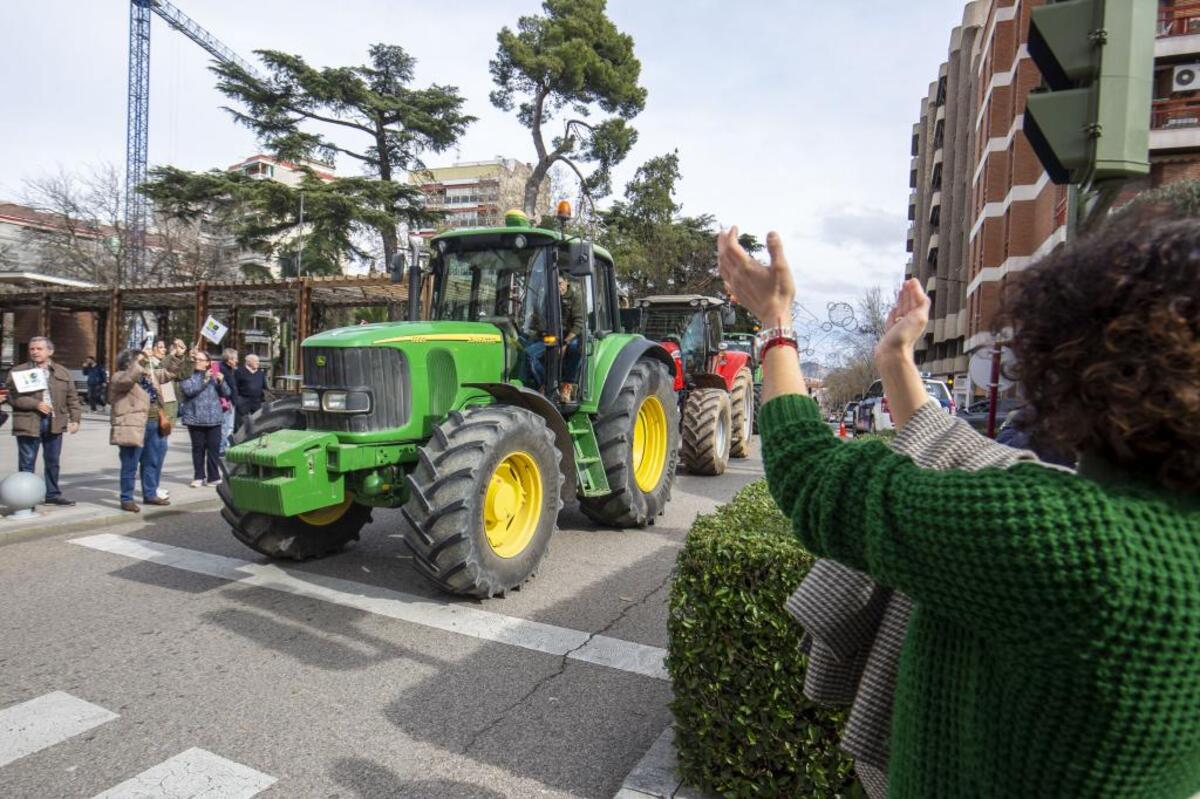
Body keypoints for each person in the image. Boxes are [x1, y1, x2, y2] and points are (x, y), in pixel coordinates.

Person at [717, 214, 1200, 798]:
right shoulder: (1162, 533)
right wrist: (896, 361)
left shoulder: (1083, 541)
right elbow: (961, 452)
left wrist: (775, 323)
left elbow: (814, 476)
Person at [5, 336, 81, 506]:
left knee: (53, 461)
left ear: (50, 351)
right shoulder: (19, 371)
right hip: (29, 422)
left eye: (39, 349)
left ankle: (52, 494)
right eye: (32, 349)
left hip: (54, 422)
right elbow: (12, 397)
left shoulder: (62, 372)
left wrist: (75, 419)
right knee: (27, 462)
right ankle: (26, 498)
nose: (35, 352)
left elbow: (73, 398)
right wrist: (35, 404)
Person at [108, 348, 179, 512]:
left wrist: (177, 356)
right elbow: (128, 379)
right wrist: (139, 363)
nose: (145, 363)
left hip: (154, 424)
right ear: (129, 363)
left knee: (151, 462)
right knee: (130, 464)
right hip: (133, 426)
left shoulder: (149, 375)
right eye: (141, 361)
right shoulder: (119, 377)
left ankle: (150, 493)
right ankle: (126, 498)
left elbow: (169, 373)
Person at [525, 275, 585, 400]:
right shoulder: (549, 297)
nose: (558, 287)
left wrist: (565, 344)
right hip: (553, 337)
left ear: (566, 282)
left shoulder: (576, 295)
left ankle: (567, 385)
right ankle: (545, 384)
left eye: (560, 283)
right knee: (530, 353)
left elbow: (579, 323)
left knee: (575, 349)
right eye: (554, 284)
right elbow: (543, 318)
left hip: (570, 336)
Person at [179, 349, 231, 488]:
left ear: (208, 363)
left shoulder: (214, 376)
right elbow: (189, 391)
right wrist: (205, 380)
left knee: (213, 448)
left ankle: (213, 476)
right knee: (198, 448)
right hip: (195, 418)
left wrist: (221, 381)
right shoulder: (188, 375)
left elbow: (227, 393)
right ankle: (198, 476)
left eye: (201, 360)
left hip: (214, 418)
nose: (197, 362)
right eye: (196, 359)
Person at [234, 353, 267, 432]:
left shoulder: (260, 373)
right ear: (248, 362)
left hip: (256, 401)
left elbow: (264, 387)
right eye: (255, 361)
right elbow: (235, 386)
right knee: (241, 423)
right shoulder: (239, 372)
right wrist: (238, 399)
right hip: (243, 400)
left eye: (258, 361)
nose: (258, 363)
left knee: (257, 421)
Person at [218, 348, 240, 455]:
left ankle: (225, 446)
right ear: (229, 359)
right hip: (226, 401)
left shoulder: (231, 369)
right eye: (235, 358)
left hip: (231, 401)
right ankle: (221, 449)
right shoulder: (222, 369)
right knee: (225, 426)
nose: (237, 361)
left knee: (229, 426)